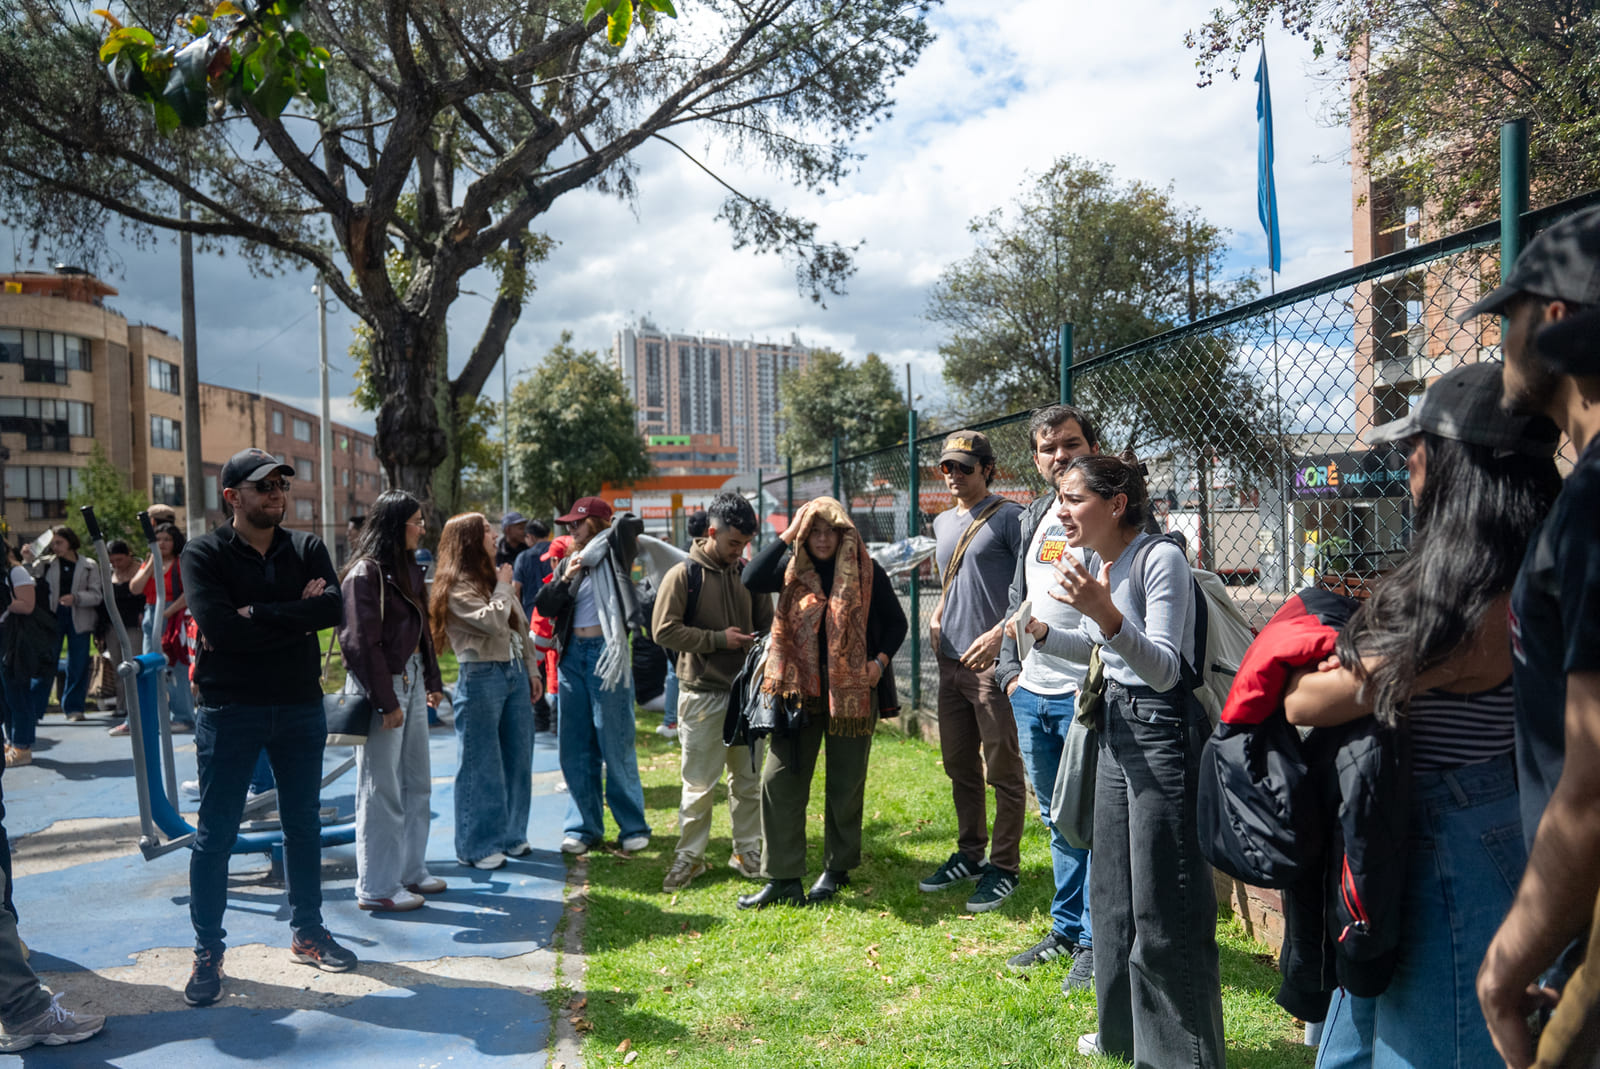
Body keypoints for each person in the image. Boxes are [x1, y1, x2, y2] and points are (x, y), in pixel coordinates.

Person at [1279, 363, 1562, 1068]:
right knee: (1350, 1049)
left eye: (1421, 443)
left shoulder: (1489, 582)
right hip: (1410, 825)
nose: (1408, 458)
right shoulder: (1476, 569)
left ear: (1463, 464)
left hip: (1456, 832)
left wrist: (1365, 664)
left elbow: (1312, 696)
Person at [1016, 453, 1224, 1066]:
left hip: (1162, 733)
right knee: (1112, 896)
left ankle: (1180, 1054)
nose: (1061, 510)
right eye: (1058, 498)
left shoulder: (1160, 559)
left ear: (1116, 504)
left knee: (1166, 900)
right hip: (1115, 725)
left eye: (1073, 499)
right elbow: (1106, 653)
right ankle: (1123, 1034)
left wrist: (1104, 614)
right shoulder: (1098, 561)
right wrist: (1047, 636)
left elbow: (1162, 668)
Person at [1469, 206, 1600, 1069]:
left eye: (1506, 315)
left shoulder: (1596, 505)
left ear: (1551, 316)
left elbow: (1594, 781)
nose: (1501, 339)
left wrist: (1508, 957)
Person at [180, 448, 355, 1008]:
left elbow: (334, 611)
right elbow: (221, 633)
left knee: (302, 825)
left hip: (300, 706)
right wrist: (290, 614)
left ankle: (308, 931)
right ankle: (208, 950)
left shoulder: (306, 547)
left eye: (281, 484)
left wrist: (258, 613)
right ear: (233, 496)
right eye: (264, 486)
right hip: (230, 711)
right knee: (216, 835)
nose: (277, 493)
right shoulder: (202, 554)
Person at [737, 496, 908, 909]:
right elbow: (750, 578)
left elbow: (898, 623)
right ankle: (783, 878)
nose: (822, 538)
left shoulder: (868, 571)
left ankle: (837, 868)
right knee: (779, 780)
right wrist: (789, 533)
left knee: (845, 784)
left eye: (830, 530)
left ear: (844, 532)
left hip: (851, 694)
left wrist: (878, 663)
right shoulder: (792, 567)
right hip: (797, 692)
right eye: (814, 530)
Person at [993, 404, 1100, 988]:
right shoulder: (1036, 514)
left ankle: (1092, 939)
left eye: (1070, 443)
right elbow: (1019, 597)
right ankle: (1065, 931)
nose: (1059, 456)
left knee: (1094, 820)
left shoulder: (1116, 508)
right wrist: (1012, 675)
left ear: (1091, 445)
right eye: (1047, 448)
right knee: (1058, 820)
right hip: (1031, 695)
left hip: (1086, 696)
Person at [920, 431, 1028, 914]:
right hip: (950, 661)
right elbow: (955, 580)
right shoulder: (943, 521)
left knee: (1003, 769)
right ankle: (969, 853)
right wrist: (938, 612)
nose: (954, 476)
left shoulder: (1011, 518)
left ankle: (1003, 866)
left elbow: (1031, 591)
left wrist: (1003, 635)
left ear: (989, 468)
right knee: (958, 764)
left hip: (991, 663)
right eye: (947, 467)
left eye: (964, 467)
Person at [650, 492, 772, 891]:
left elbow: (769, 625)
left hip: (748, 697)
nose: (740, 552)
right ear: (712, 532)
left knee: (748, 781)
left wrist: (763, 645)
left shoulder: (748, 573)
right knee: (699, 785)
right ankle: (690, 856)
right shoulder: (683, 575)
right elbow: (663, 630)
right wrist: (720, 640)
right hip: (702, 694)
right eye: (733, 543)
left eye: (745, 545)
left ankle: (747, 850)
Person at [340, 491, 447, 910]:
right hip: (384, 685)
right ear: (395, 524)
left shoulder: (406, 569)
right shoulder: (365, 574)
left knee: (416, 781)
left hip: (413, 678)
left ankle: (409, 870)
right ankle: (377, 886)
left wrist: (432, 679)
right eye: (416, 521)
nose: (422, 528)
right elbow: (359, 644)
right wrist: (386, 701)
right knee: (380, 786)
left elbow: (423, 631)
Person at [534, 497, 652, 856]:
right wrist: (567, 576)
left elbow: (632, 524)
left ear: (599, 524)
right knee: (574, 746)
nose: (571, 529)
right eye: (568, 524)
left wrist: (606, 534)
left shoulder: (616, 554)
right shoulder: (570, 563)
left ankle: (632, 826)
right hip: (571, 657)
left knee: (614, 741)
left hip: (607, 654)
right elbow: (546, 605)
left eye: (578, 523)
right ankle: (583, 828)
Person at [429, 512, 542, 871]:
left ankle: (511, 835)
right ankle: (475, 846)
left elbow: (518, 625)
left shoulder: (494, 578)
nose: (495, 536)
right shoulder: (456, 584)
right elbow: (492, 622)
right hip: (480, 675)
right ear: (468, 541)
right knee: (481, 762)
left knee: (519, 757)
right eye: (487, 531)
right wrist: (504, 587)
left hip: (513, 672)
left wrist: (531, 669)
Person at [29, 527, 100, 729]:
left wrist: (76, 598)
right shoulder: (46, 564)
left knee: (77, 665)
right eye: (53, 543)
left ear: (70, 541)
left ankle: (74, 708)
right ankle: (35, 709)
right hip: (52, 619)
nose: (55, 546)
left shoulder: (88, 565)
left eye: (59, 542)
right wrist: (29, 556)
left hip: (79, 618)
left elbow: (97, 594)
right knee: (45, 663)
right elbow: (27, 578)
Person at [130, 522, 195, 733]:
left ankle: (184, 716)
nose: (163, 543)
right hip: (151, 613)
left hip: (173, 615)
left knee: (176, 667)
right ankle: (156, 714)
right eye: (159, 539)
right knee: (150, 665)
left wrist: (167, 613)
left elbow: (189, 593)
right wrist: (152, 561)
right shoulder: (150, 563)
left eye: (167, 539)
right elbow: (135, 587)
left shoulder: (180, 563)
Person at [657, 510, 711, 742]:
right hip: (690, 627)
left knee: (675, 673)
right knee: (678, 673)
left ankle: (672, 719)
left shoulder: (682, 556)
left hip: (684, 627)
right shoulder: (693, 561)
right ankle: (674, 719)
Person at [513, 520, 557, 734]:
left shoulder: (524, 557)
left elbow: (516, 589)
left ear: (529, 536)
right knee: (557, 668)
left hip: (533, 620)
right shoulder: (556, 551)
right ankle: (558, 717)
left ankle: (541, 717)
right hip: (556, 618)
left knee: (535, 669)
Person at [0, 547, 41, 769]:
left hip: (14, 640)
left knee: (17, 694)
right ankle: (12, 740)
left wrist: (5, 601)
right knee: (5, 698)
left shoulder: (15, 573)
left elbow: (28, 605)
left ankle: (22, 745)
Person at [104, 540, 147, 737]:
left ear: (129, 554)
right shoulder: (109, 574)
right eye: (112, 561)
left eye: (119, 559)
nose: (116, 564)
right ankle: (122, 705)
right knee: (117, 667)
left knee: (133, 666)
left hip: (134, 626)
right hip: (114, 626)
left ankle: (138, 707)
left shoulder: (140, 570)